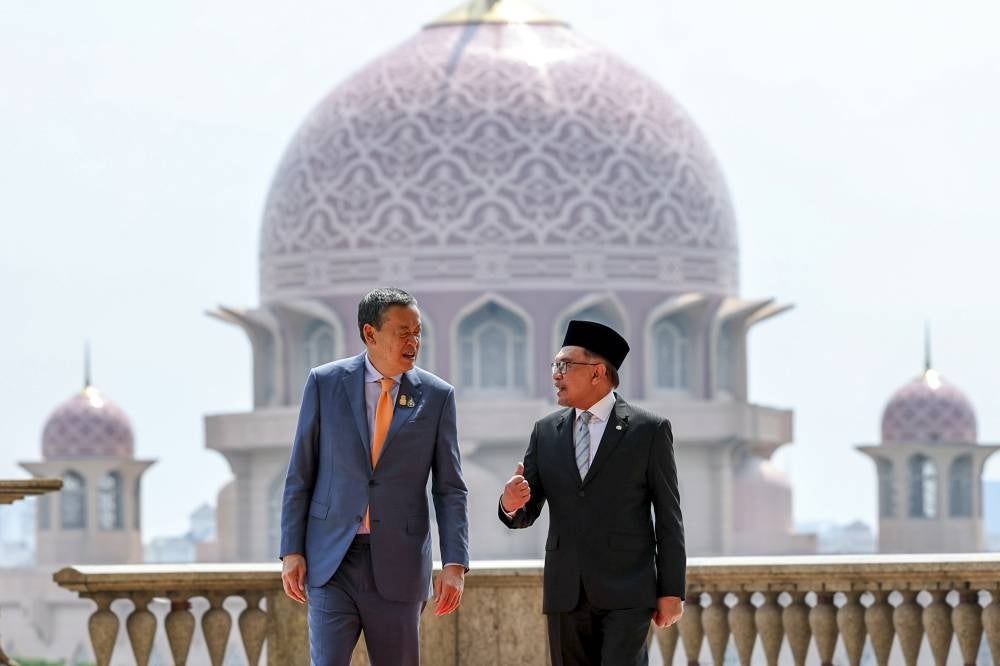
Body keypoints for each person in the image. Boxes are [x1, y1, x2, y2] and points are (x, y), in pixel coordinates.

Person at [279, 287, 469, 666]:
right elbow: (301, 473)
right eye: (403, 332)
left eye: (417, 331)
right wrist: (291, 551)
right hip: (331, 559)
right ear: (370, 334)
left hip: (399, 562)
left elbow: (449, 489)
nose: (413, 341)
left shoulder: (436, 396)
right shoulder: (325, 383)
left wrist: (454, 564)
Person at [498, 320, 686, 666]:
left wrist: (672, 590)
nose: (556, 374)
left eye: (564, 365)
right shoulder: (546, 432)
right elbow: (527, 509)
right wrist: (510, 504)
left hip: (628, 592)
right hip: (565, 592)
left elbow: (669, 517)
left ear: (598, 372)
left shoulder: (649, 430)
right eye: (555, 366)